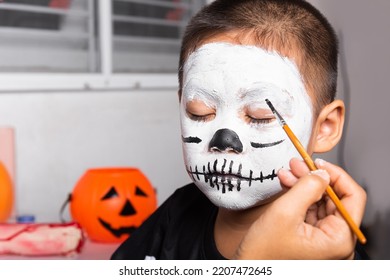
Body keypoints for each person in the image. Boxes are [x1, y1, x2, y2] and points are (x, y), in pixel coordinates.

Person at [111, 0, 368, 260]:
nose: (224, 140)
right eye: (199, 112)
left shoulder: (331, 259)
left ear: (325, 127)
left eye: (260, 116)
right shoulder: (179, 211)